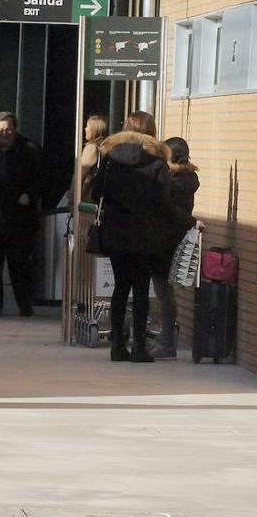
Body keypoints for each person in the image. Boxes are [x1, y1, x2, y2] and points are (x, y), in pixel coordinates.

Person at [90, 111, 193, 363]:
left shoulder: (110, 158)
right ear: (151, 132)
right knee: (140, 290)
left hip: (116, 232)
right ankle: (139, 348)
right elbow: (163, 203)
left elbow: (96, 193)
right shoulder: (157, 163)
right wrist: (188, 220)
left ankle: (116, 347)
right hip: (145, 235)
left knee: (120, 288)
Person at [0, 111, 42, 317]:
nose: (4, 134)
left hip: (20, 216)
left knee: (20, 264)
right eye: (0, 131)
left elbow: (44, 178)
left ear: (15, 129)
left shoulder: (29, 149)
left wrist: (30, 195)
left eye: (8, 130)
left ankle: (25, 304)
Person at [150, 137, 200, 359]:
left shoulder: (176, 181)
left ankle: (167, 341)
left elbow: (166, 207)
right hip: (172, 239)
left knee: (164, 293)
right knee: (164, 292)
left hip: (166, 240)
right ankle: (165, 338)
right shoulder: (186, 178)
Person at [79, 114, 109, 200]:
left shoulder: (91, 148)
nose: (85, 129)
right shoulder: (105, 148)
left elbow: (81, 175)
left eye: (87, 126)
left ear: (95, 130)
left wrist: (72, 199)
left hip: (87, 199)